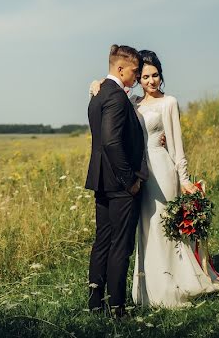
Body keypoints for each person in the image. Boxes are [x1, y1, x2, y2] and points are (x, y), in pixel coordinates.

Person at [90, 49, 219, 308]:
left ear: (161, 76)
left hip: (161, 170)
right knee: (145, 231)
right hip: (137, 171)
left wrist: (183, 179)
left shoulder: (169, 102)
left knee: (164, 227)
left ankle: (175, 284)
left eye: (155, 75)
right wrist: (96, 83)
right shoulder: (132, 101)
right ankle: (149, 290)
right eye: (145, 76)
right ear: (137, 78)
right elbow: (111, 104)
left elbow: (176, 145)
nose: (151, 81)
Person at [85, 44, 148, 317]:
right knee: (120, 245)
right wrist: (130, 181)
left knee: (103, 240)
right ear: (120, 68)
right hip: (119, 183)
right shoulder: (117, 99)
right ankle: (118, 307)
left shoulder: (97, 95)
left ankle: (95, 302)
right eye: (135, 72)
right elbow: (111, 142)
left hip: (101, 179)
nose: (136, 77)